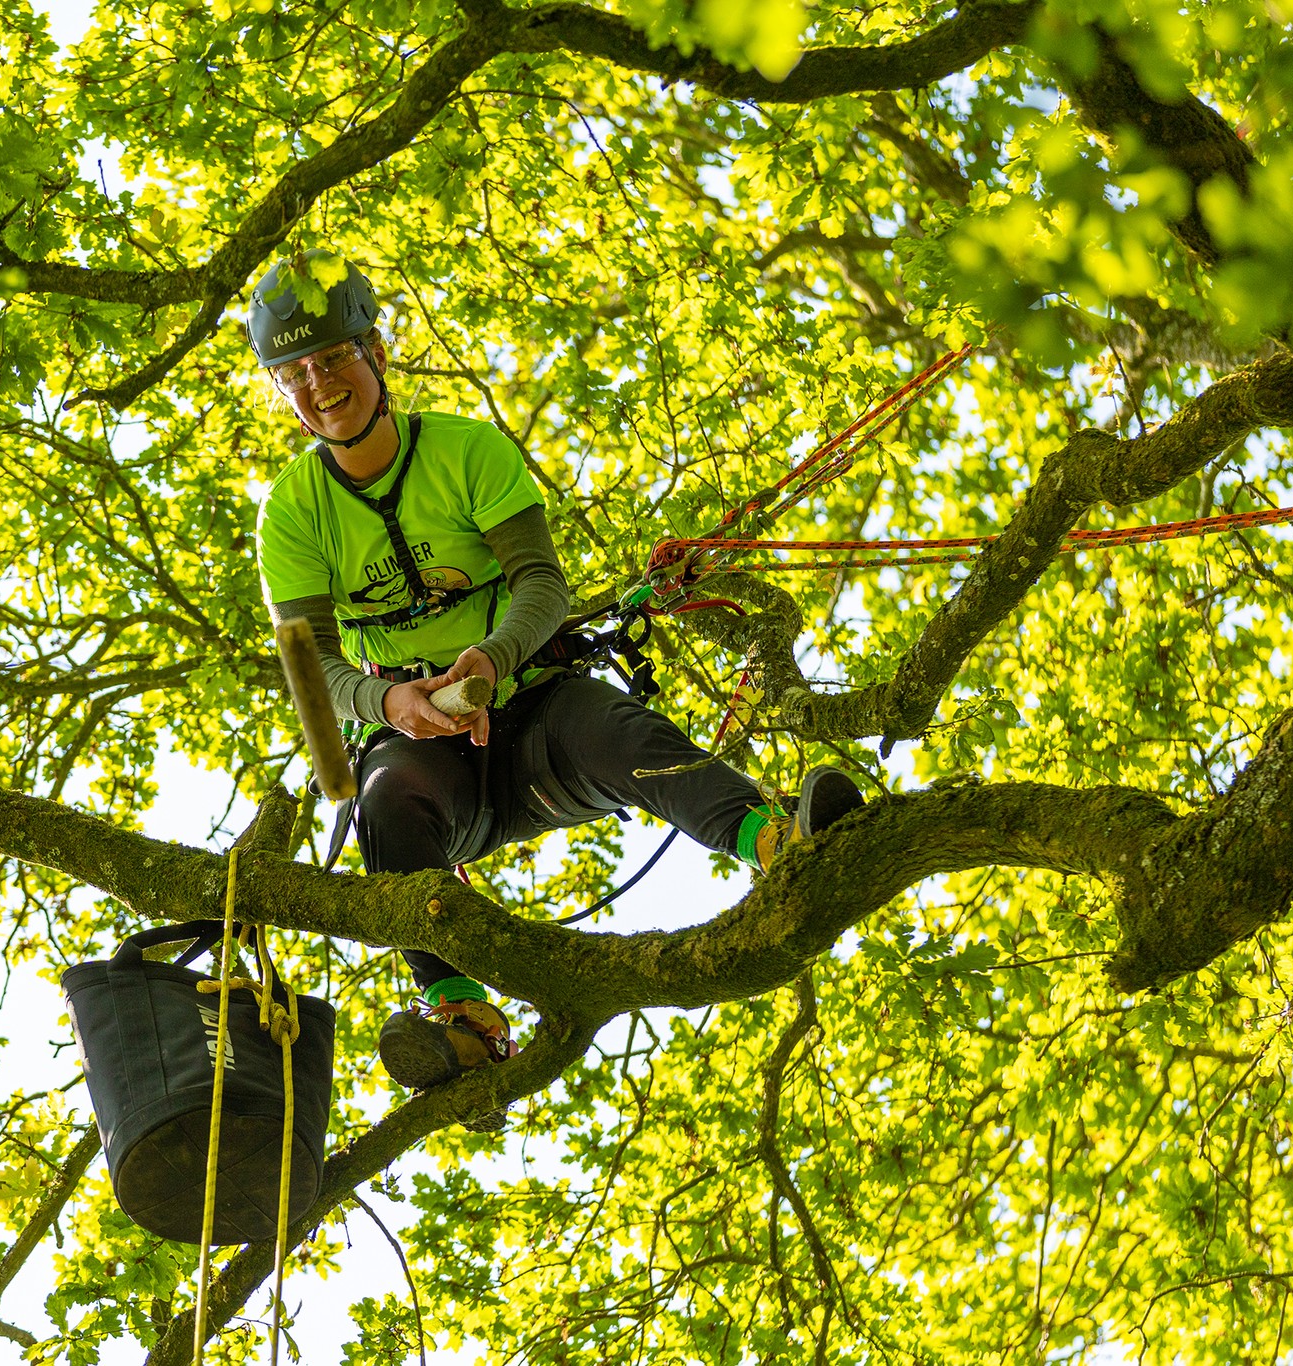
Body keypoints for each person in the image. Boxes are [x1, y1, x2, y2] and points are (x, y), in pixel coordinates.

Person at [251, 251, 865, 1129]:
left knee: (618, 733)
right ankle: (463, 1017)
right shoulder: (293, 512)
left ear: (377, 353)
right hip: (419, 746)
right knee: (388, 806)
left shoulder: (464, 450)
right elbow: (313, 683)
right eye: (297, 372)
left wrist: (491, 663)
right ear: (284, 388)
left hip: (534, 707)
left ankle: (780, 846)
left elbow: (541, 584)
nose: (321, 383)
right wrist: (394, 706)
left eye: (335, 358)